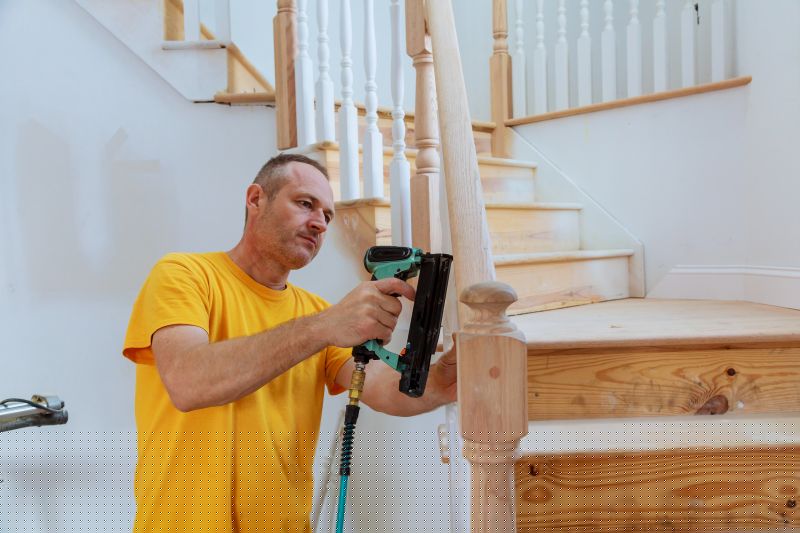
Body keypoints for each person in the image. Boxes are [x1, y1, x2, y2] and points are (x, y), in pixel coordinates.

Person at [122, 153, 457, 533]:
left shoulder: (316, 313)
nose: (318, 223)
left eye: (327, 217)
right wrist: (323, 326)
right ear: (255, 199)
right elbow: (189, 382)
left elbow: (381, 386)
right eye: (304, 203)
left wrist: (441, 381)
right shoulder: (185, 276)